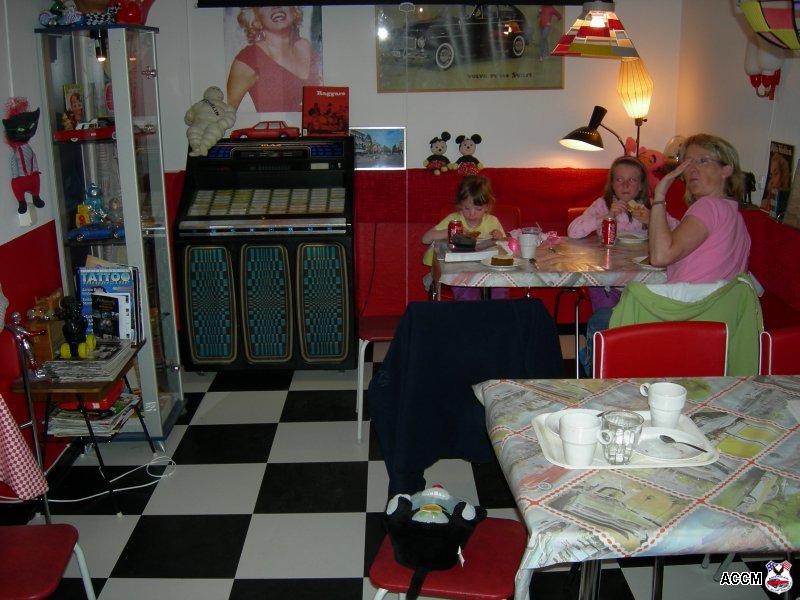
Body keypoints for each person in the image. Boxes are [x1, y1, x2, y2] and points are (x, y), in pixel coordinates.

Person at [569, 156, 679, 375]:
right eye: (619, 180)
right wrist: (606, 216)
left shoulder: (651, 206)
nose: (625, 185)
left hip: (642, 282)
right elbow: (573, 231)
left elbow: (680, 232)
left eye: (632, 180)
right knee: (606, 322)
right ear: (612, 183)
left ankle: (633, 364)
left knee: (641, 328)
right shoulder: (602, 205)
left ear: (641, 185)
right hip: (606, 281)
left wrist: (653, 219)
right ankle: (594, 357)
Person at [648, 133, 750, 281]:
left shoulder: (708, 206)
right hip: (717, 296)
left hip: (690, 296)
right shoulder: (737, 217)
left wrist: (659, 196)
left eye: (703, 161)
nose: (693, 169)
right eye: (688, 163)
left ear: (726, 170)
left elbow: (660, 257)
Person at [422, 175, 507, 300]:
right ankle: (470, 312)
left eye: (478, 209)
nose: (472, 213)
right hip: (460, 271)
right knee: (467, 293)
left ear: (487, 207)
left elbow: (506, 247)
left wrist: (499, 237)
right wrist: (450, 231)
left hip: (488, 270)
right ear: (460, 205)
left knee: (499, 287)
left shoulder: (492, 221)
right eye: (467, 208)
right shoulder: (454, 219)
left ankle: (495, 312)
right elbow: (425, 239)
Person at [226, 6, 321, 113]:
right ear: (256, 21)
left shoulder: (305, 46)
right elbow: (223, 114)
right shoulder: (249, 58)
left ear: (294, 12)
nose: (276, 6)